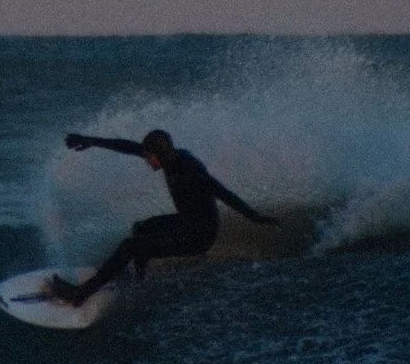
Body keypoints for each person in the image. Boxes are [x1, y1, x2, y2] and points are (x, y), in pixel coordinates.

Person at [49, 128, 275, 305]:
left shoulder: (190, 170)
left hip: (199, 236)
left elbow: (222, 193)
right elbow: (127, 146)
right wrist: (91, 140)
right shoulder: (169, 157)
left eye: (149, 157)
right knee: (140, 228)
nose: (146, 161)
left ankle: (79, 295)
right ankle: (137, 278)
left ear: (159, 154)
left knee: (130, 246)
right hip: (186, 222)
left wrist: (254, 217)